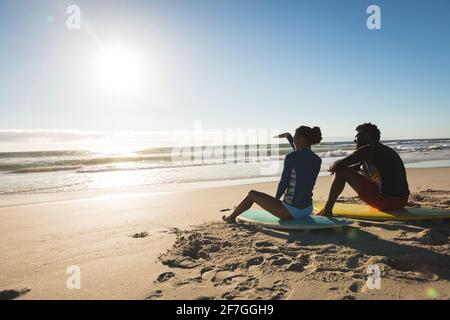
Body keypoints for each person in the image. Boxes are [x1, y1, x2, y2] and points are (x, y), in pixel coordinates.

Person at [222, 126, 322, 223]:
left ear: (302, 138)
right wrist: (289, 137)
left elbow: (284, 181)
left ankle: (231, 217)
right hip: (307, 210)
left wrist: (275, 201)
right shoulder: (317, 160)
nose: (294, 141)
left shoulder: (291, 157)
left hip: (291, 212)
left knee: (252, 194)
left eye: (295, 138)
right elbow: (302, 157)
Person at [316, 123, 410, 217]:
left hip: (386, 202)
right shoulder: (385, 149)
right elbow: (358, 167)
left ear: (366, 136)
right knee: (361, 167)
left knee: (341, 171)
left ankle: (327, 210)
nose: (354, 140)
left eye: (357, 136)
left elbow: (337, 165)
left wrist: (333, 169)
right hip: (402, 201)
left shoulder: (369, 149)